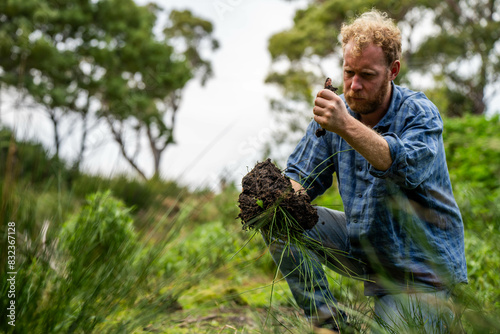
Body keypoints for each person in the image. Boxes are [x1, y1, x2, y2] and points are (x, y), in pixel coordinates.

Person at [267, 9, 468, 333]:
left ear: (393, 71)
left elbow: (401, 166)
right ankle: (328, 324)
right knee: (280, 217)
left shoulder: (419, 114)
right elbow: (300, 179)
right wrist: (270, 197)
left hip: (421, 269)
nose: (354, 85)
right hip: (364, 245)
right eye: (349, 73)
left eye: (367, 75)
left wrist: (345, 125)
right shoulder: (334, 119)